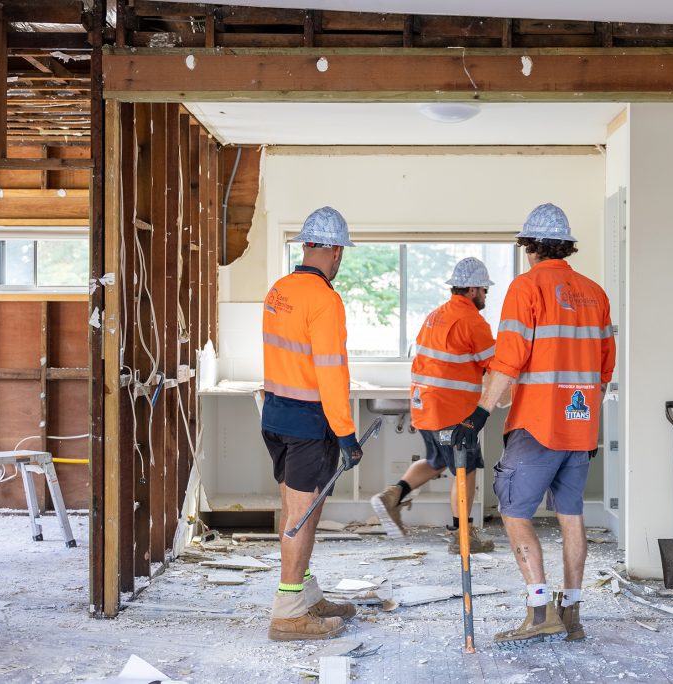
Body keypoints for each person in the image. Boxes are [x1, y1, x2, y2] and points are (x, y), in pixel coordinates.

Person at [452, 203, 616, 645]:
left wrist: (481, 412)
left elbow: (508, 359)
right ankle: (573, 613)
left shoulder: (526, 288)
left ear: (529, 248)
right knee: (572, 516)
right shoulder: (595, 293)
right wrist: (585, 416)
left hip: (537, 424)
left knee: (514, 512)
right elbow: (605, 368)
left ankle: (540, 609)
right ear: (566, 247)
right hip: (580, 427)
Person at [261, 206, 362, 641]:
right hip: (309, 423)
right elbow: (331, 371)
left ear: (307, 245)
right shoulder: (325, 299)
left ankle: (304, 594)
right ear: (335, 251)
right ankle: (287, 612)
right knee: (302, 517)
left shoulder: (279, 289)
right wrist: (347, 434)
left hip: (277, 415)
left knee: (297, 511)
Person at [371, 257, 497, 553]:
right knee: (465, 471)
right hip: (454, 413)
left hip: (426, 408)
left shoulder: (435, 315)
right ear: (472, 290)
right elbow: (496, 365)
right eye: (484, 291)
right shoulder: (472, 321)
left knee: (436, 461)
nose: (485, 296)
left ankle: (392, 496)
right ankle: (462, 537)